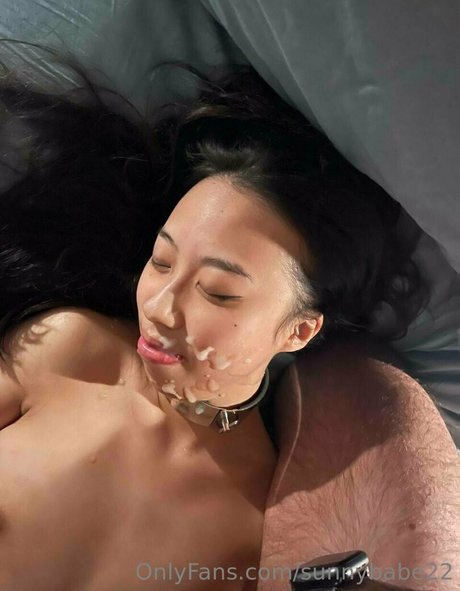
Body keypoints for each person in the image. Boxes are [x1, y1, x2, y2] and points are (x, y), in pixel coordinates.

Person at [0, 61, 457, 591]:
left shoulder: (257, 526)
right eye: (161, 262)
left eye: (218, 292)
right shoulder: (68, 349)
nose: (160, 306)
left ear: (298, 332)